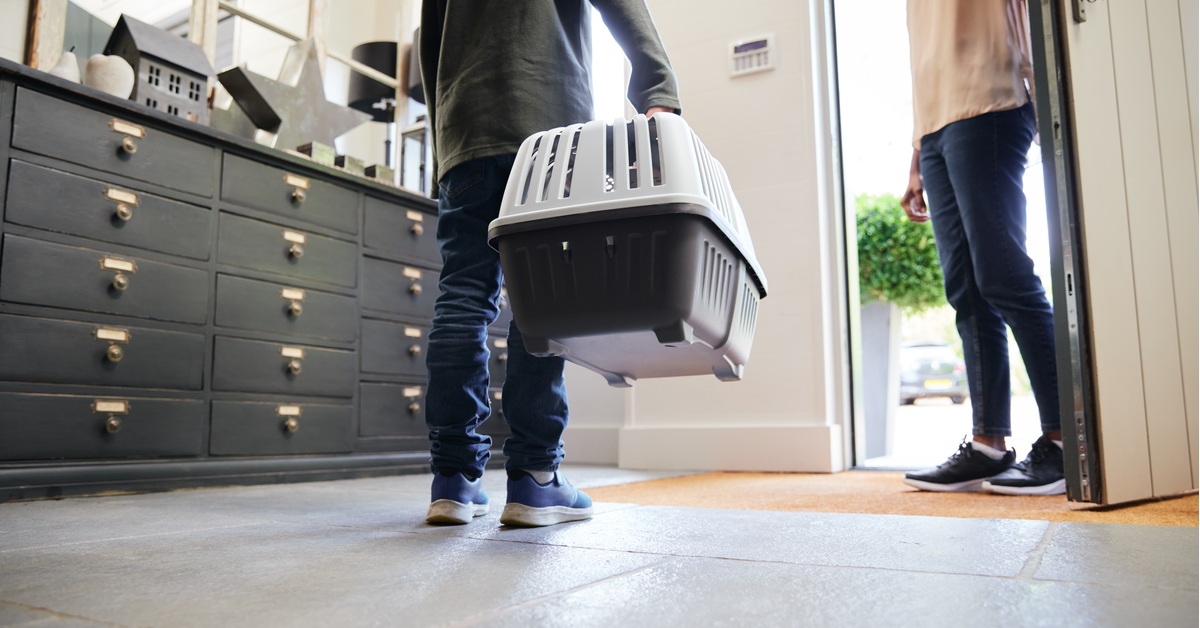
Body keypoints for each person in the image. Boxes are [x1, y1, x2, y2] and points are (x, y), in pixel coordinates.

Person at [418, 0, 681, 526]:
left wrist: (443, 145)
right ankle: (536, 479)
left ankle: (453, 479)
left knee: (462, 295)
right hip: (546, 118)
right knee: (543, 296)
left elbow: (430, 40)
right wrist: (658, 91)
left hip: (463, 128)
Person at [899, 0, 1065, 495]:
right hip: (935, 132)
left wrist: (1044, 99)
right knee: (966, 292)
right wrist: (917, 154)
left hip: (991, 108)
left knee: (1005, 278)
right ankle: (988, 444)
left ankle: (1063, 440)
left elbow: (1025, 19)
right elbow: (925, 68)